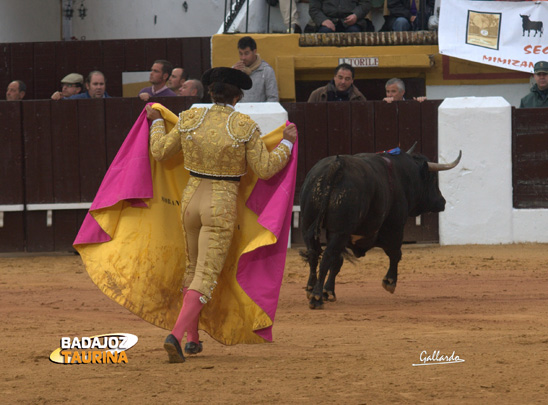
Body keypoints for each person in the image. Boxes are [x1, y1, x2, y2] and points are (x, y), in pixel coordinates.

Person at [145, 67, 297, 363]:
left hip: (190, 200)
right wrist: (287, 142)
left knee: (192, 267)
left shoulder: (190, 118)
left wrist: (156, 123)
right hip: (221, 203)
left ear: (210, 93)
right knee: (206, 274)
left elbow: (160, 151)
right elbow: (265, 169)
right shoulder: (243, 125)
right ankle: (176, 337)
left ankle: (193, 339)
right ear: (238, 97)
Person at [232, 36, 279, 102]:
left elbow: (273, 98)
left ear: (254, 51)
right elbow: (227, 97)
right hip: (239, 111)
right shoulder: (235, 69)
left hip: (260, 111)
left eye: (246, 53)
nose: (243, 58)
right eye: (240, 54)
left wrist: (262, 111)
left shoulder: (266, 70)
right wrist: (233, 75)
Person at [309, 0, 373, 33]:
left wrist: (356, 15)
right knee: (325, 33)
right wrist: (323, 20)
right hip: (328, 22)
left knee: (354, 33)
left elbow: (366, 3)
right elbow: (314, 8)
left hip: (353, 23)